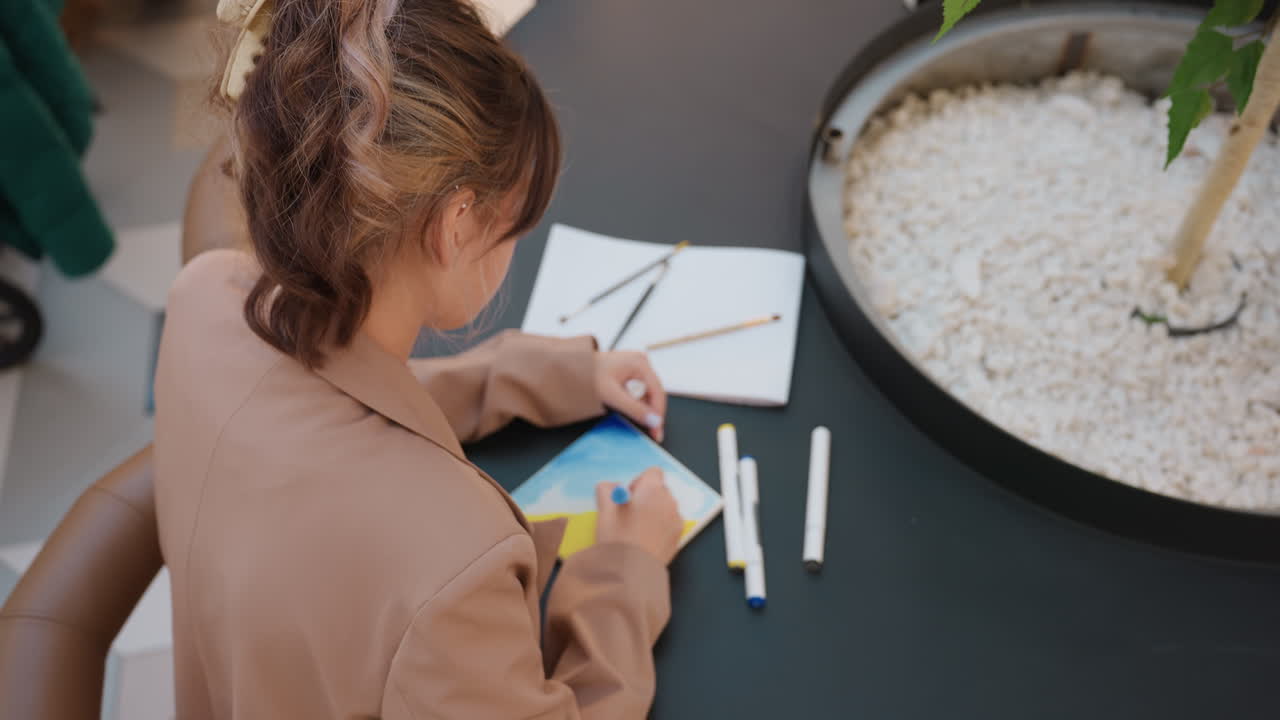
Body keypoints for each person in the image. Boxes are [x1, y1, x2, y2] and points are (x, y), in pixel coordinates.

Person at [153, 0, 684, 717]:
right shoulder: (453, 560)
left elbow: (336, 398)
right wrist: (625, 571)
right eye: (515, 220)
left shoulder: (204, 296)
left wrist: (532, 377)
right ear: (456, 224)